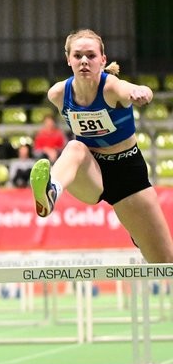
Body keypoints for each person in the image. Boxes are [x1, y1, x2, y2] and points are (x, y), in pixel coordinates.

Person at [30, 29, 173, 265]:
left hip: (128, 174)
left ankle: (139, 231)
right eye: (77, 56)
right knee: (75, 148)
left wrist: (141, 92)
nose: (84, 60)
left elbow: (131, 88)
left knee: (164, 262)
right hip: (92, 171)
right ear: (69, 60)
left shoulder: (111, 88)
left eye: (91, 55)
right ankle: (50, 192)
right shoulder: (58, 94)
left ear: (103, 60)